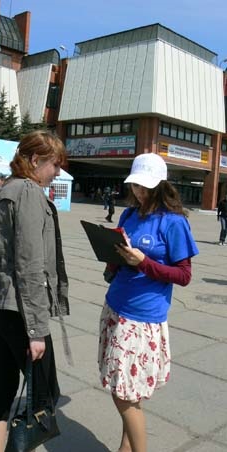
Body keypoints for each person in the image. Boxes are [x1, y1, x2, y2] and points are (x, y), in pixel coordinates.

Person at [98, 153, 199, 452]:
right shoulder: (129, 215)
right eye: (136, 186)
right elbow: (119, 255)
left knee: (123, 395)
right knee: (129, 391)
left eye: (145, 187)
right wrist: (112, 258)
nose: (139, 192)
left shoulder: (174, 223)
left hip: (142, 318)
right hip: (116, 306)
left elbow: (183, 275)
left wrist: (143, 263)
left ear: (159, 185)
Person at [0, 131, 70, 452]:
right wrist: (35, 329)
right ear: (34, 160)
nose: (57, 172)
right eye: (54, 165)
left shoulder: (6, 189)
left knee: (2, 386)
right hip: (20, 310)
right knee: (43, 396)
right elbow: (30, 265)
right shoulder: (29, 192)